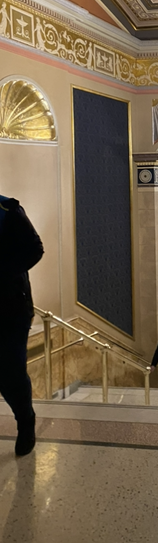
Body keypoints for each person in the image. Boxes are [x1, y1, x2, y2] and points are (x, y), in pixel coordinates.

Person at [0, 195, 44, 456]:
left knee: (11, 372)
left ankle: (25, 421)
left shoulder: (9, 211)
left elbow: (35, 249)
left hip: (11, 309)